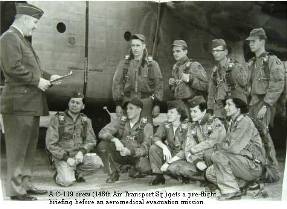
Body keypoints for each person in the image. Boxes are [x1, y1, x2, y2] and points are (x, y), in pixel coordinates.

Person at [0, 3, 62, 200]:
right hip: (19, 104)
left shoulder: (21, 39)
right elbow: (12, 68)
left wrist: (50, 76)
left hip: (29, 104)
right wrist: (38, 81)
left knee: (28, 148)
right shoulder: (9, 38)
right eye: (34, 22)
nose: (35, 26)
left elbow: (32, 68)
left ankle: (25, 183)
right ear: (24, 19)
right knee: (18, 148)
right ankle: (16, 190)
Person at [205, 91, 266, 200]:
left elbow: (233, 148)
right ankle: (247, 185)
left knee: (217, 156)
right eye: (225, 105)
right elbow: (227, 145)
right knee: (210, 172)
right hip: (241, 162)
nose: (225, 108)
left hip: (253, 165)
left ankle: (232, 191)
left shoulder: (245, 122)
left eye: (229, 105)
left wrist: (219, 146)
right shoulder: (233, 122)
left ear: (238, 108)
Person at [165, 96, 226, 182]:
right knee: (173, 168)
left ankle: (215, 178)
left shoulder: (215, 122)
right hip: (200, 160)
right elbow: (187, 148)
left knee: (208, 153)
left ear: (204, 111)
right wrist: (196, 161)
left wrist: (194, 150)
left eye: (195, 111)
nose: (192, 114)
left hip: (217, 160)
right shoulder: (193, 126)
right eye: (191, 111)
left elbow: (212, 142)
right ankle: (206, 177)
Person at [46, 92, 100, 187]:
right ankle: (59, 174)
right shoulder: (57, 119)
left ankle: (75, 172)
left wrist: (82, 152)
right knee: (67, 182)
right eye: (72, 102)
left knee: (97, 162)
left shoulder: (86, 121)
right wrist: (66, 158)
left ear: (83, 106)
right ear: (68, 103)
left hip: (78, 156)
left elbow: (91, 141)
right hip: (62, 156)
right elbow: (51, 144)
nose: (74, 105)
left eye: (78, 103)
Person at [98, 97, 153, 183]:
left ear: (139, 110)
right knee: (103, 145)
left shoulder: (147, 126)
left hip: (136, 156)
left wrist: (131, 151)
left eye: (131, 108)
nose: (127, 111)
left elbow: (146, 148)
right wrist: (114, 139)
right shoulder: (121, 121)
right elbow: (102, 132)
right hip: (122, 153)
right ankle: (113, 173)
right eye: (127, 108)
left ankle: (132, 169)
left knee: (145, 168)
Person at [112, 33, 163, 122]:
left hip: (145, 102)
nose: (135, 48)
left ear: (143, 46)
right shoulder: (124, 64)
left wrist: (157, 104)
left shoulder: (152, 64)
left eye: (138, 45)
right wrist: (118, 104)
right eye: (133, 45)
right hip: (128, 102)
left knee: (146, 129)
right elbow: (117, 83)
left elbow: (159, 85)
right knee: (126, 130)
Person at [246, 28, 285, 128]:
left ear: (262, 41)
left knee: (262, 134)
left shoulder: (272, 61)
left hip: (264, 104)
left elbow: (277, 84)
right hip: (252, 104)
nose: (250, 44)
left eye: (253, 41)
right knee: (253, 136)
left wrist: (266, 105)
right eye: (249, 41)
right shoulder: (252, 62)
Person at [149, 101, 188, 185]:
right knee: (154, 148)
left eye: (172, 112)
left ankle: (184, 176)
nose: (168, 114)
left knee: (174, 168)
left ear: (179, 114)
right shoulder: (165, 124)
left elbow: (186, 150)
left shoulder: (187, 126)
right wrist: (164, 147)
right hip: (171, 153)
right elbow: (155, 137)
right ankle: (158, 176)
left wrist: (168, 163)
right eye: (168, 112)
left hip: (182, 156)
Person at [207, 39, 248, 120]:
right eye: (213, 51)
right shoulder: (215, 72)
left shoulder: (235, 67)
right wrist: (210, 109)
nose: (215, 53)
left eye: (218, 50)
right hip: (221, 110)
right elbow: (211, 93)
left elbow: (244, 84)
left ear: (225, 52)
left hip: (236, 108)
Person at [168, 40, 207, 119]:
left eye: (178, 51)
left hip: (193, 106)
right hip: (180, 105)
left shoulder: (194, 65)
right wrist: (172, 85)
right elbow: (177, 90)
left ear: (185, 51)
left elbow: (206, 86)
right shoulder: (175, 67)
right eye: (174, 52)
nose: (175, 54)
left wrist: (191, 79)